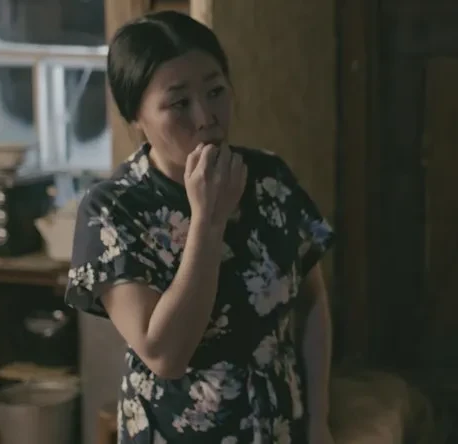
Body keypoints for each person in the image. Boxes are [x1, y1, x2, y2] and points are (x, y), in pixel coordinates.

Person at [64, 11, 335, 444]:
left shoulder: (269, 178)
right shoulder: (113, 209)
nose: (206, 116)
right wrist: (207, 220)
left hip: (280, 426)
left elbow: (312, 301)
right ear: (136, 117)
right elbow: (165, 355)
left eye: (215, 91)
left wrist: (318, 421)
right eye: (179, 103)